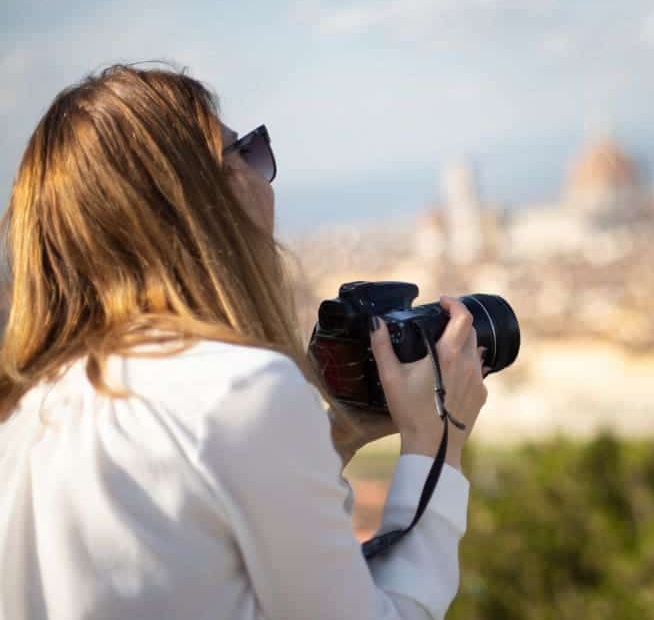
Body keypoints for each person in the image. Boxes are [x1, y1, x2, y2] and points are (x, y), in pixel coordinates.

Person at [0, 64, 489, 620]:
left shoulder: (26, 414)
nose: (264, 178)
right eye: (250, 152)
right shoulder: (240, 390)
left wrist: (337, 433)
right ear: (212, 194)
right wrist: (437, 442)